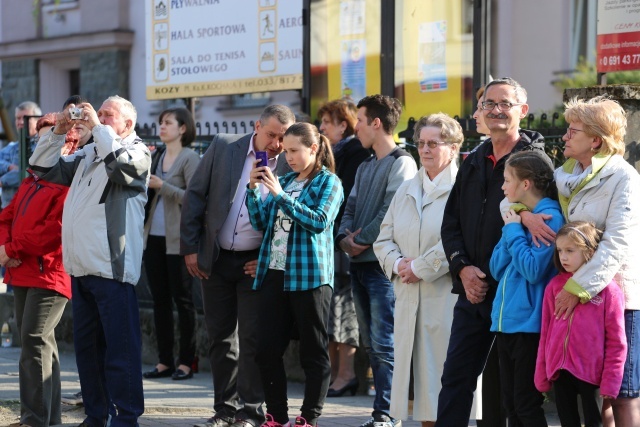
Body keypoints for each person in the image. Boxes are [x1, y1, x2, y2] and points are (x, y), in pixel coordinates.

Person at [29, 95, 151, 427]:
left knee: (120, 354)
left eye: (107, 115)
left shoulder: (137, 151)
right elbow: (41, 169)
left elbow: (124, 168)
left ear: (127, 124)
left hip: (112, 271)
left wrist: (97, 129)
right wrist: (58, 132)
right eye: (98, 113)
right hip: (80, 269)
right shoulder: (89, 153)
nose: (97, 117)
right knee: (88, 355)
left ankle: (127, 419)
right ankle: (96, 416)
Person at [523, 96, 640, 426]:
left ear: (595, 140)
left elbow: (617, 242)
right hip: (579, 295)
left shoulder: (624, 178)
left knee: (623, 392)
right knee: (592, 392)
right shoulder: (564, 175)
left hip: (619, 296)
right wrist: (522, 214)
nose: (564, 137)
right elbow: (518, 193)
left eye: (572, 131)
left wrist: (578, 288)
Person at [437, 77, 545, 427]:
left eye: (505, 104)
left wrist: (524, 215)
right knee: (455, 379)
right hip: (471, 290)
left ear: (522, 111)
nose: (496, 110)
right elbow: (450, 222)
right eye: (489, 104)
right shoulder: (472, 159)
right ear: (480, 111)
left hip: (513, 293)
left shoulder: (536, 162)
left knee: (505, 392)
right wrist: (463, 270)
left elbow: (547, 221)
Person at [181, 104, 296, 427]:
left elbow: (287, 221)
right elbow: (195, 196)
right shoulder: (224, 145)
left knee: (252, 338)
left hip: (254, 263)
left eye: (283, 137)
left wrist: (264, 259)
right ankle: (224, 409)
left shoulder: (289, 163)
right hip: (216, 258)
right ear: (257, 126)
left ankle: (251, 412)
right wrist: (191, 248)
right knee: (220, 338)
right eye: (272, 134)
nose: (276, 143)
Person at [247, 122, 343, 427]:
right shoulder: (285, 179)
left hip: (310, 277)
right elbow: (261, 221)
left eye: (293, 150)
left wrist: (280, 195)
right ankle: (275, 414)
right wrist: (254, 189)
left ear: (313, 148)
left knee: (313, 352)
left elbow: (318, 221)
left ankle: (309, 417)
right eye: (285, 150)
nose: (287, 156)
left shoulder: (328, 182)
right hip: (274, 273)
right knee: (265, 350)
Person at [373, 113, 462, 426]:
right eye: (421, 143)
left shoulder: (461, 188)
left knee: (444, 387)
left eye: (433, 144)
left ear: (453, 148)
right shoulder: (408, 188)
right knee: (421, 393)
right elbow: (383, 238)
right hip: (408, 297)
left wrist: (422, 267)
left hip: (446, 297)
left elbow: (459, 237)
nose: (425, 149)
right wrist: (399, 264)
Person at [336, 94, 417, 427]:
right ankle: (382, 412)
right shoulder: (367, 165)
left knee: (385, 343)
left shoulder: (403, 162)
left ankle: (388, 413)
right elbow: (350, 207)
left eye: (359, 119)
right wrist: (344, 238)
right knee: (371, 341)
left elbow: (390, 210)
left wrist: (361, 239)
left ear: (377, 123)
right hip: (358, 264)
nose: (355, 126)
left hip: (384, 267)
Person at [0, 114, 78, 427]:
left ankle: (35, 418)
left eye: (49, 137)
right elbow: (6, 216)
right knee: (39, 342)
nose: (41, 143)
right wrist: (6, 249)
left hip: (50, 272)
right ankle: (47, 418)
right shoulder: (32, 177)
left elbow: (54, 230)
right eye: (38, 138)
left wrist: (11, 249)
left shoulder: (68, 179)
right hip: (22, 270)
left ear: (66, 142)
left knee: (34, 339)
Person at [489, 150, 564, 426]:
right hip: (505, 323)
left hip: (529, 327)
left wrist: (513, 231)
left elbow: (533, 270)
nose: (502, 186)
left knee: (525, 403)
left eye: (507, 180)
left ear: (525, 184)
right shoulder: (518, 217)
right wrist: (516, 225)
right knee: (509, 403)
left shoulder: (549, 219)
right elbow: (496, 267)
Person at [535, 221, 627, 427]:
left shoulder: (608, 290)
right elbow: (546, 333)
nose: (563, 257)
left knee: (594, 422)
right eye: (560, 250)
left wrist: (611, 381)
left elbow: (617, 341)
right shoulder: (554, 286)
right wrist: (542, 372)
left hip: (591, 372)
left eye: (570, 250)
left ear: (590, 252)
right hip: (560, 372)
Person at [142, 108, 200, 381]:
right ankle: (164, 360)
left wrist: (162, 186)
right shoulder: (158, 155)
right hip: (153, 237)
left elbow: (195, 199)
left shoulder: (190, 158)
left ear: (183, 128)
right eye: (161, 122)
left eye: (168, 123)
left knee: (183, 301)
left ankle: (187, 362)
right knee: (160, 301)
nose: (162, 127)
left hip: (178, 240)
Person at [317, 99, 370, 397]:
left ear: (343, 125)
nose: (321, 127)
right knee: (329, 310)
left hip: (345, 240)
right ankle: (335, 373)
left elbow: (347, 198)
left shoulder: (354, 153)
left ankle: (347, 374)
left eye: (327, 122)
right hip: (331, 240)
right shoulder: (335, 152)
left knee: (344, 309)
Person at [0, 101, 41, 208]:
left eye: (26, 118)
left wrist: (2, 181)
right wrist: (9, 167)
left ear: (38, 121)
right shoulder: (12, 147)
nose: (21, 122)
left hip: (31, 210)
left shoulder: (42, 147)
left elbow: (30, 174)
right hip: (8, 210)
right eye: (18, 118)